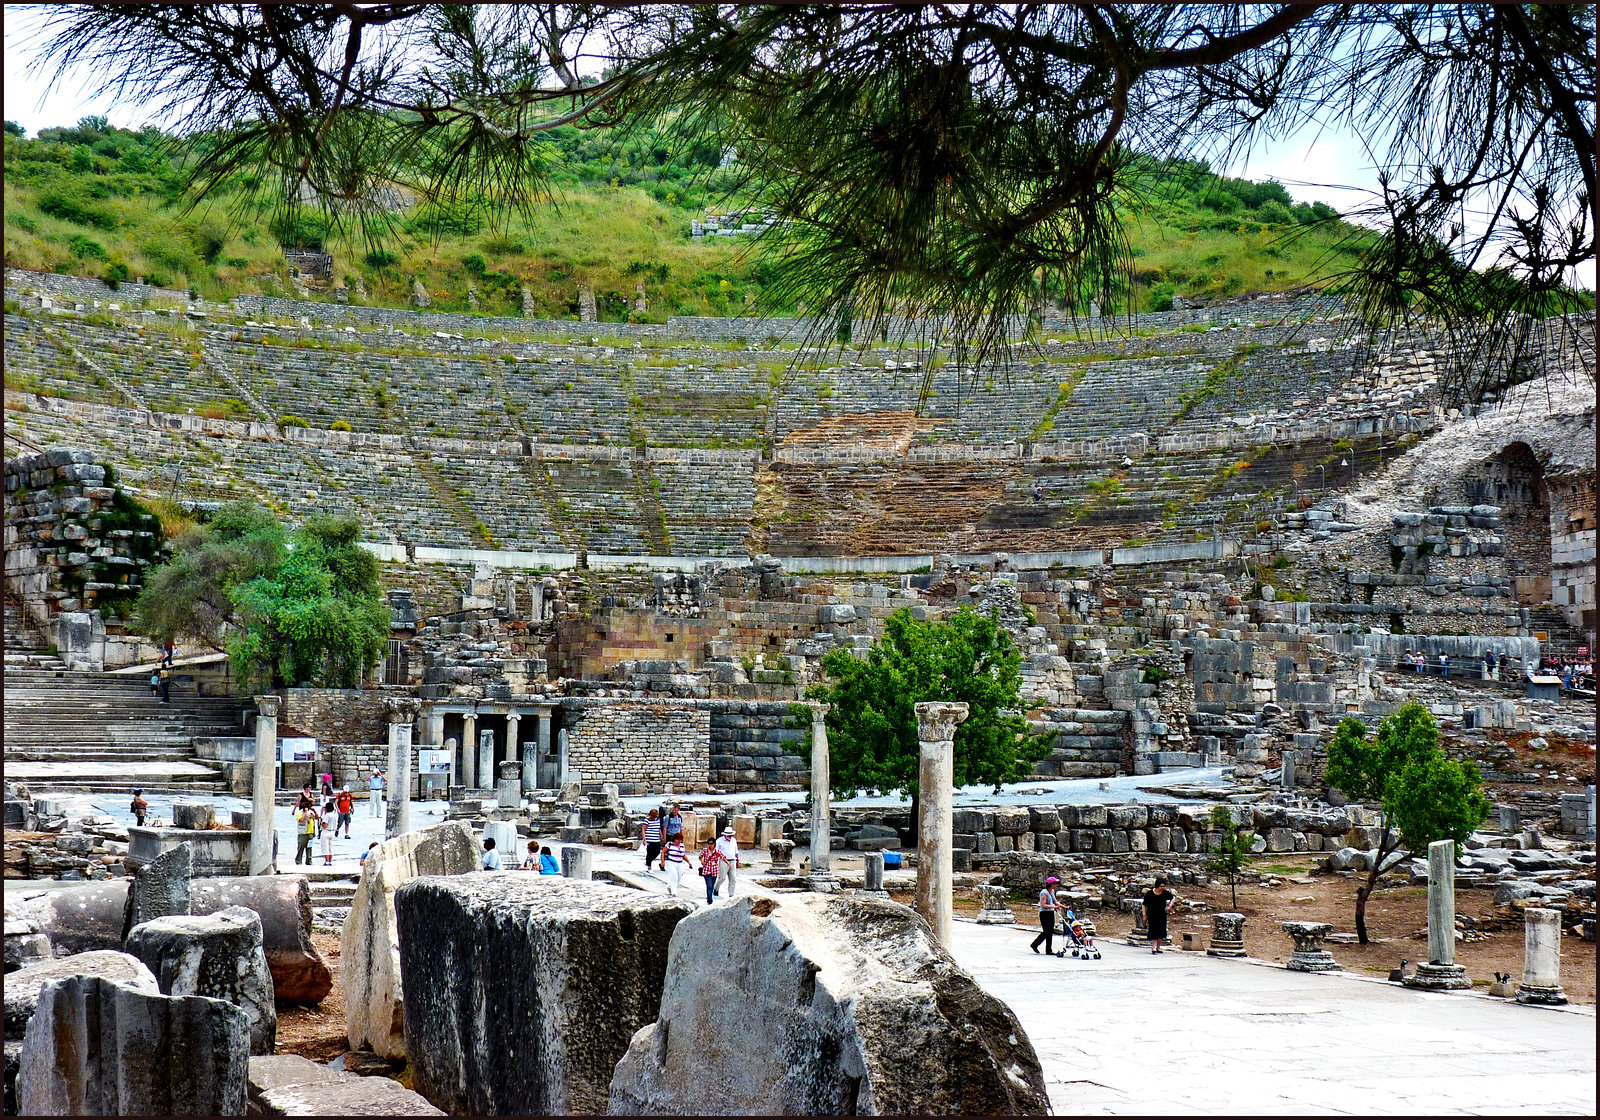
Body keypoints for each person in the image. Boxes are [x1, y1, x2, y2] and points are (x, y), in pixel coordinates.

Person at [1031, 876, 1063, 955]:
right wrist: (1055, 907)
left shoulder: (1052, 892)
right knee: (1046, 931)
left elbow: (1055, 902)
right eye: (1055, 884)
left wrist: (1063, 907)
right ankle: (1035, 944)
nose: (1057, 885)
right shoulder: (1044, 893)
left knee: (1050, 931)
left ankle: (1048, 949)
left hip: (1051, 913)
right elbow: (1044, 905)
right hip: (1044, 913)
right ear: (1051, 884)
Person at [1144, 875, 1176, 953]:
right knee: (1154, 929)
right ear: (1157, 886)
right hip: (1152, 914)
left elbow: (1173, 898)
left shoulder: (1165, 893)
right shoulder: (1150, 894)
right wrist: (1144, 915)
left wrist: (1169, 906)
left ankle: (1158, 947)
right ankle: (1153, 947)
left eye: (1164, 886)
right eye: (1161, 886)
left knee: (1161, 930)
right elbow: (1144, 904)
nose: (1163, 888)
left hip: (1162, 914)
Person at [659, 832, 693, 898]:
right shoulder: (669, 844)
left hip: (679, 863)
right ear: (675, 839)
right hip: (671, 862)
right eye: (678, 840)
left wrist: (689, 862)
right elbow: (663, 852)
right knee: (674, 877)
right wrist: (662, 862)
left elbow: (683, 855)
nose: (679, 841)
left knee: (679, 877)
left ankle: (669, 886)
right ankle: (674, 893)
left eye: (680, 840)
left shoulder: (682, 845)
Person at [715, 825, 740, 899]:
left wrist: (738, 860)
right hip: (723, 861)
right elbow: (716, 851)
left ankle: (731, 894)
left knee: (733, 878)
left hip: (732, 860)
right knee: (722, 878)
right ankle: (716, 888)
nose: (729, 836)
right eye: (728, 835)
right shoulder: (719, 841)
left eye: (730, 835)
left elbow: (736, 851)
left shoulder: (734, 840)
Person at [698, 837, 724, 904]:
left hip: (714, 870)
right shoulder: (705, 850)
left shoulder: (717, 851)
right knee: (709, 885)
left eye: (711, 844)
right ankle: (710, 899)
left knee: (712, 885)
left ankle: (709, 896)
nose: (710, 845)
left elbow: (723, 857)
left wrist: (728, 863)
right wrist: (702, 861)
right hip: (707, 870)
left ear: (714, 844)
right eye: (709, 844)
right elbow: (700, 856)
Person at [318, 799, 337, 866]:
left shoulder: (327, 816)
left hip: (326, 831)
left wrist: (320, 822)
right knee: (331, 846)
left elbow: (325, 825)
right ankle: (330, 861)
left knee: (325, 847)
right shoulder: (334, 815)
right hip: (332, 831)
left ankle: (327, 861)